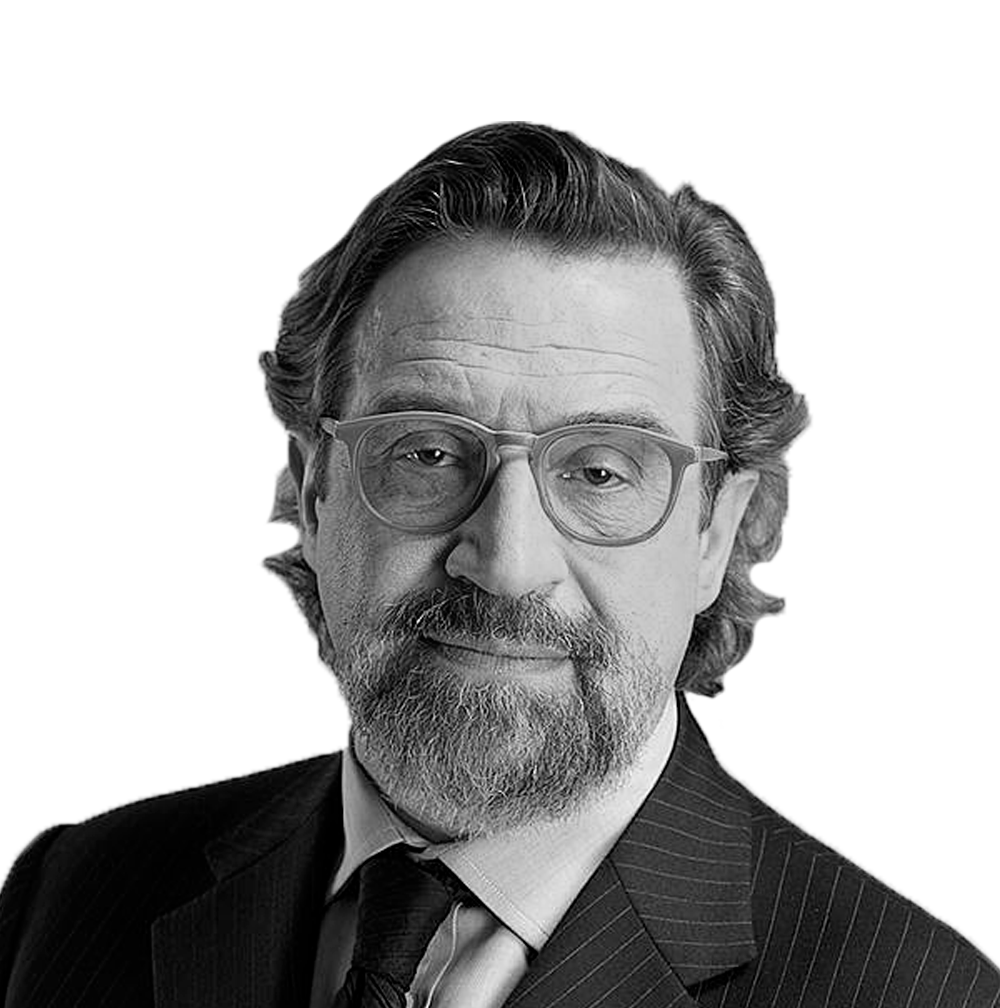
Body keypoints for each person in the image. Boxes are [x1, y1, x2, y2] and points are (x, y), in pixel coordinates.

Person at [1, 122, 997, 1008]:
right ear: (312, 496)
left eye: (600, 471)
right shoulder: (69, 893)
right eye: (429, 453)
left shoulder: (921, 995)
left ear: (714, 535)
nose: (508, 563)